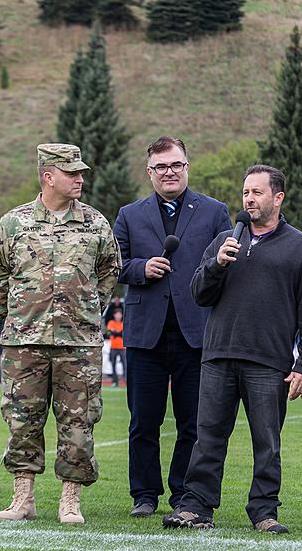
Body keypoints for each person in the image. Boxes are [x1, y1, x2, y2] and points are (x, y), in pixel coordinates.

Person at [163, 164, 302, 534]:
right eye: (245, 193)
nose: (249, 199)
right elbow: (198, 294)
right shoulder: (224, 240)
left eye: (257, 192)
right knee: (207, 437)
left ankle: (264, 512)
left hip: (269, 362)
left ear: (278, 197)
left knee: (267, 443)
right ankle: (196, 507)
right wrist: (218, 264)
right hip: (218, 356)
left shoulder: (301, 248)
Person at [0, 143, 121, 524]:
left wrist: (87, 312)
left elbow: (109, 273)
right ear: (48, 177)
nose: (80, 179)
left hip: (78, 343)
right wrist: (17, 316)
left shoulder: (95, 224)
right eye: (72, 173)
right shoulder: (13, 223)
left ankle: (70, 501)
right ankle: (23, 498)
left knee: (79, 421)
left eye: (80, 173)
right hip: (24, 341)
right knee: (22, 419)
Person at [113, 135, 231, 517]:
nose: (169, 172)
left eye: (176, 164)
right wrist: (141, 268)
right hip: (145, 333)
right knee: (143, 422)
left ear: (187, 167)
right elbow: (114, 264)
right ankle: (144, 496)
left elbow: (227, 266)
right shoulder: (129, 214)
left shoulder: (215, 212)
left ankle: (184, 495)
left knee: (193, 424)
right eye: (161, 166)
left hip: (197, 333)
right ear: (149, 172)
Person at [106, 308, 126, 387]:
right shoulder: (111, 322)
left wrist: (115, 333)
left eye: (119, 314)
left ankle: (125, 381)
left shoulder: (123, 323)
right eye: (117, 314)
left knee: (125, 365)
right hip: (113, 347)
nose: (118, 316)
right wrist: (119, 333)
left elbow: (124, 333)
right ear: (114, 315)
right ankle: (115, 381)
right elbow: (108, 332)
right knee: (113, 365)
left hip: (122, 348)